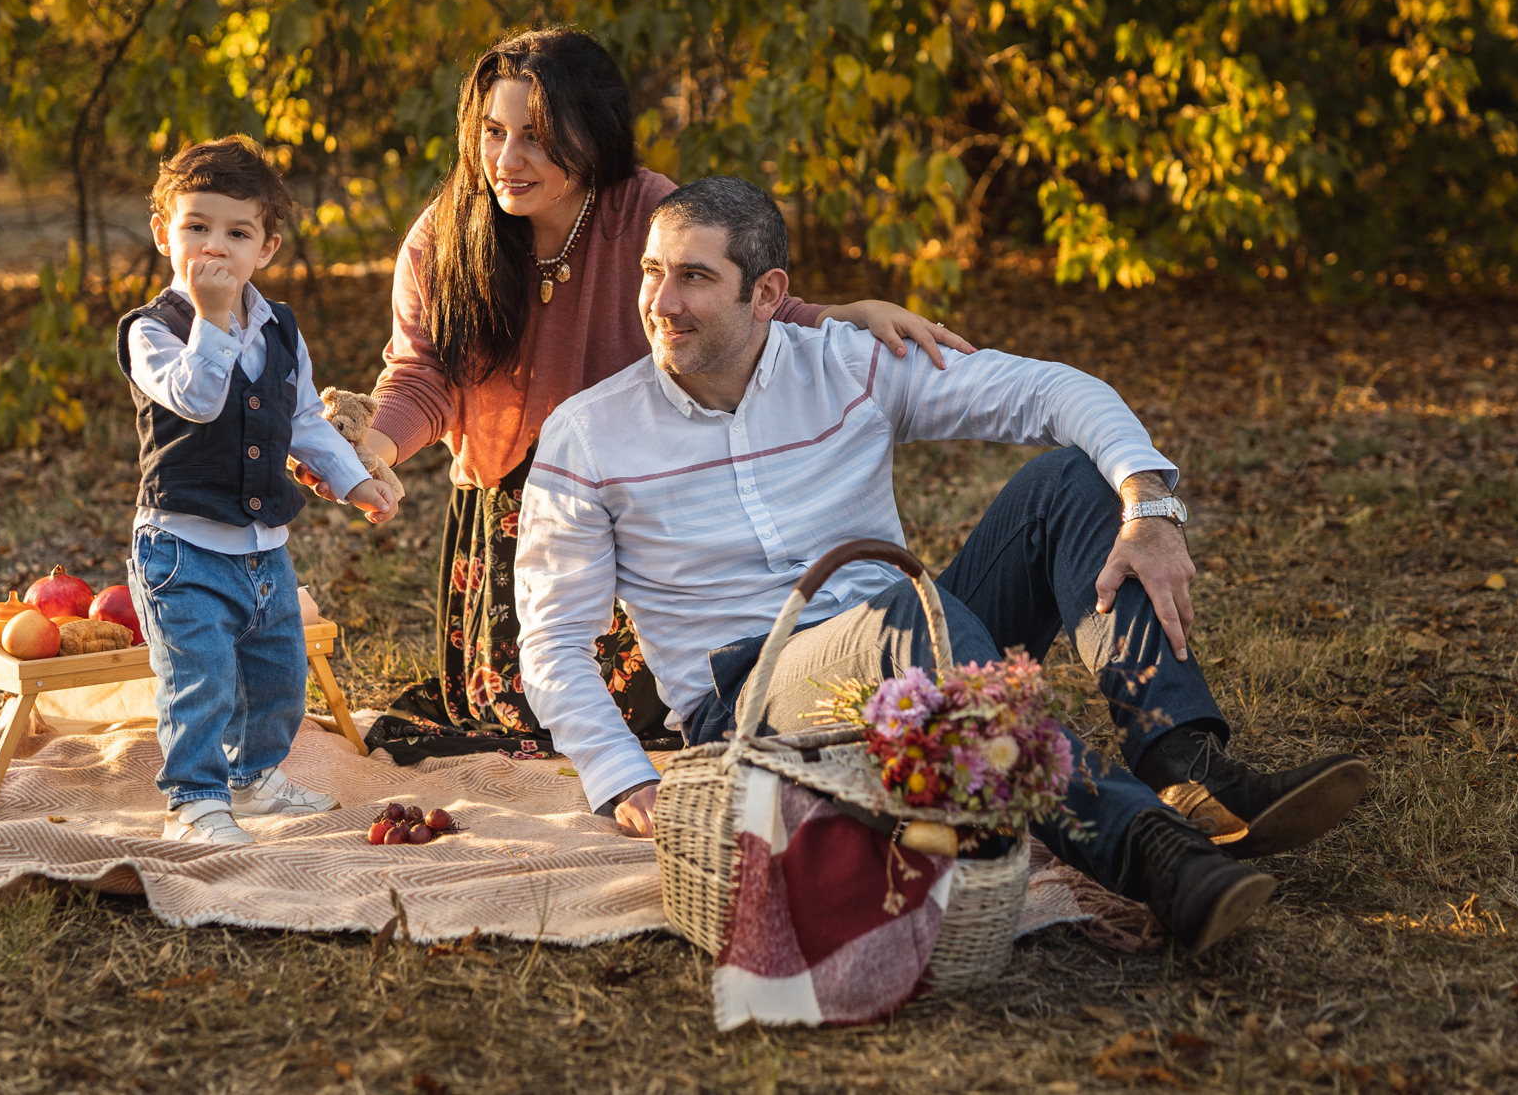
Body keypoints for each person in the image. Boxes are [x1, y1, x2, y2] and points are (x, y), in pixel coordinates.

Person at [515, 177, 1372, 954]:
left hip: (909, 631)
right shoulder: (590, 434)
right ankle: (1149, 853)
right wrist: (626, 780)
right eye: (651, 272)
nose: (660, 302)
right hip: (752, 700)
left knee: (1068, 480)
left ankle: (1185, 764)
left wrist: (1147, 502)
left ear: (768, 293)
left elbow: (1050, 390)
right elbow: (552, 636)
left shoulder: (847, 365)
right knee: (903, 620)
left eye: (694, 277)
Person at [310, 29, 972, 761]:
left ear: (591, 134)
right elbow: (423, 374)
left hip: (646, 488)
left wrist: (843, 316)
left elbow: (743, 305)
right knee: (517, 702)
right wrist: (370, 447)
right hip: (517, 513)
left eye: (536, 137)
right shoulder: (443, 238)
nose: (506, 159)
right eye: (493, 132)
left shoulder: (646, 212)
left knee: (668, 693)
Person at [118, 137, 401, 845]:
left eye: (236, 233)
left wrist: (355, 477)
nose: (215, 246)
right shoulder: (152, 331)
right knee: (201, 678)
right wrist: (211, 321)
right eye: (197, 227)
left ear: (266, 247)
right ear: (164, 233)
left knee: (278, 676)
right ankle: (196, 799)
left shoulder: (280, 329)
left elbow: (302, 417)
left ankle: (253, 779)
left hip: (263, 548)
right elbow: (196, 397)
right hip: (181, 547)